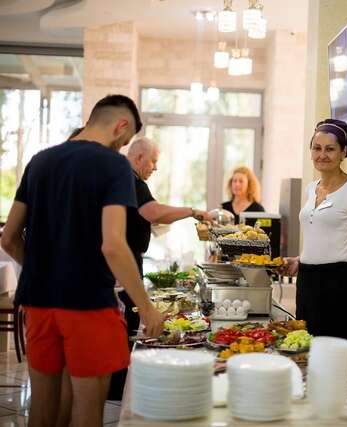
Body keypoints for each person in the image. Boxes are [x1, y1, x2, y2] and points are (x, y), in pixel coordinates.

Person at [0, 94, 165, 427]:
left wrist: (43, 271)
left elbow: (8, 238)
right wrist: (146, 307)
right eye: (125, 141)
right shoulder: (114, 165)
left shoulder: (39, 161)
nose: (121, 148)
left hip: (39, 303)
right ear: (121, 125)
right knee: (87, 411)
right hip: (88, 304)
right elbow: (113, 245)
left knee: (42, 409)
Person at [108, 136, 212, 400]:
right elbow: (153, 212)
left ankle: (119, 385)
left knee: (127, 324)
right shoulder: (131, 180)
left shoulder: (129, 180)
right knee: (125, 324)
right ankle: (116, 389)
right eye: (153, 161)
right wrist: (193, 211)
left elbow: (147, 216)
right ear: (139, 158)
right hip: (123, 265)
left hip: (127, 261)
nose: (155, 167)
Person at [281, 118, 347, 377]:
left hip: (341, 286)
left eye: (330, 149)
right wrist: (300, 259)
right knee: (306, 358)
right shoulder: (310, 188)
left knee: (338, 366)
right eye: (317, 148)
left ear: (344, 152)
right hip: (308, 284)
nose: (322, 155)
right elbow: (320, 235)